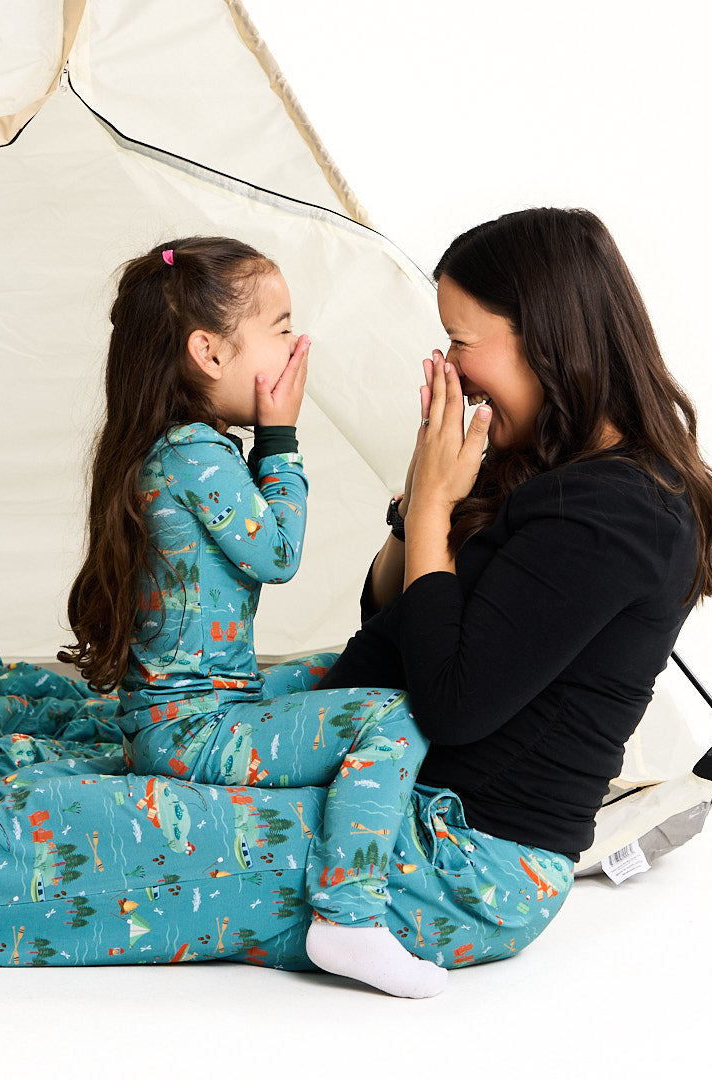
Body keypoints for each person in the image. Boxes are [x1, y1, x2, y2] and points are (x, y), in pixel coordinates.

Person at [59, 236, 446, 998]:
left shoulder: (183, 448)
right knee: (392, 715)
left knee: (345, 667)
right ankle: (348, 917)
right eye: (280, 326)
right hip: (191, 729)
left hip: (204, 709)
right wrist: (281, 436)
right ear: (208, 352)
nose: (299, 344)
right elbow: (277, 552)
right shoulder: (194, 454)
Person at [319, 207, 712, 875]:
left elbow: (451, 703)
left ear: (546, 338)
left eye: (461, 338)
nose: (451, 364)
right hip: (378, 798)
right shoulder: (539, 460)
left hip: (444, 846)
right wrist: (420, 500)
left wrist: (432, 510)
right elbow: (396, 620)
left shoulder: (616, 513)